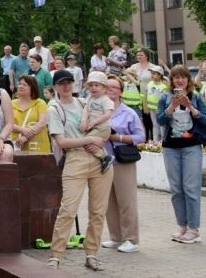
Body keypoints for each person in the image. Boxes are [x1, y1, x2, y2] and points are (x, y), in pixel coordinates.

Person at [46, 69, 114, 271]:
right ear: (55, 87)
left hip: (99, 159)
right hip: (74, 159)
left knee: (98, 212)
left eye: (69, 82)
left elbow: (106, 127)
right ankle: (56, 255)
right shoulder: (54, 109)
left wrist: (99, 140)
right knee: (68, 210)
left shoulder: (85, 102)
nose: (66, 86)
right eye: (61, 83)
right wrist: (89, 140)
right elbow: (62, 142)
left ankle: (91, 254)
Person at [156, 64, 206, 244]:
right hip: (171, 148)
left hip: (192, 147)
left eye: (183, 77)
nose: (179, 80)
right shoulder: (165, 97)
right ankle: (183, 226)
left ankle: (194, 229)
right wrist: (171, 106)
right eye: (176, 77)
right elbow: (160, 120)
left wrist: (191, 108)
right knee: (176, 190)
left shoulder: (195, 97)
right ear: (171, 80)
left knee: (191, 188)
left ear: (188, 80)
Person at [101, 75, 145, 254]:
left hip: (122, 161)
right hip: (103, 160)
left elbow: (140, 136)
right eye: (107, 87)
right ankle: (116, 236)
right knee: (108, 201)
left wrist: (117, 137)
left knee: (126, 200)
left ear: (120, 91)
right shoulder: (98, 111)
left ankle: (131, 239)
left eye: (114, 87)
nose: (110, 90)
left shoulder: (128, 112)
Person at [80, 72, 115, 173]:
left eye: (97, 85)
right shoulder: (90, 98)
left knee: (84, 141)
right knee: (88, 145)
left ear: (104, 88)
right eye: (91, 85)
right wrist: (84, 121)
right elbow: (86, 110)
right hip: (93, 127)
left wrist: (93, 122)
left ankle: (105, 157)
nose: (93, 88)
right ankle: (102, 158)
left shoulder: (105, 100)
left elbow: (108, 114)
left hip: (102, 128)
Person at [11, 75, 51, 153]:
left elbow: (42, 123)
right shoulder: (11, 103)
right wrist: (22, 130)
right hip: (16, 144)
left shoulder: (40, 103)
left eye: (24, 85)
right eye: (19, 84)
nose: (20, 86)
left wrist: (25, 137)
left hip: (38, 145)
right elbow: (8, 123)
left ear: (32, 88)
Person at [144, 65, 168, 142]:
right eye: (152, 73)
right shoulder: (150, 83)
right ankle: (155, 141)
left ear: (159, 75)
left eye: (154, 73)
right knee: (154, 125)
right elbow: (146, 95)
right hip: (151, 108)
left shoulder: (163, 87)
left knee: (161, 125)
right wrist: (146, 107)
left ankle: (163, 141)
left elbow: (164, 100)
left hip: (159, 109)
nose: (152, 75)